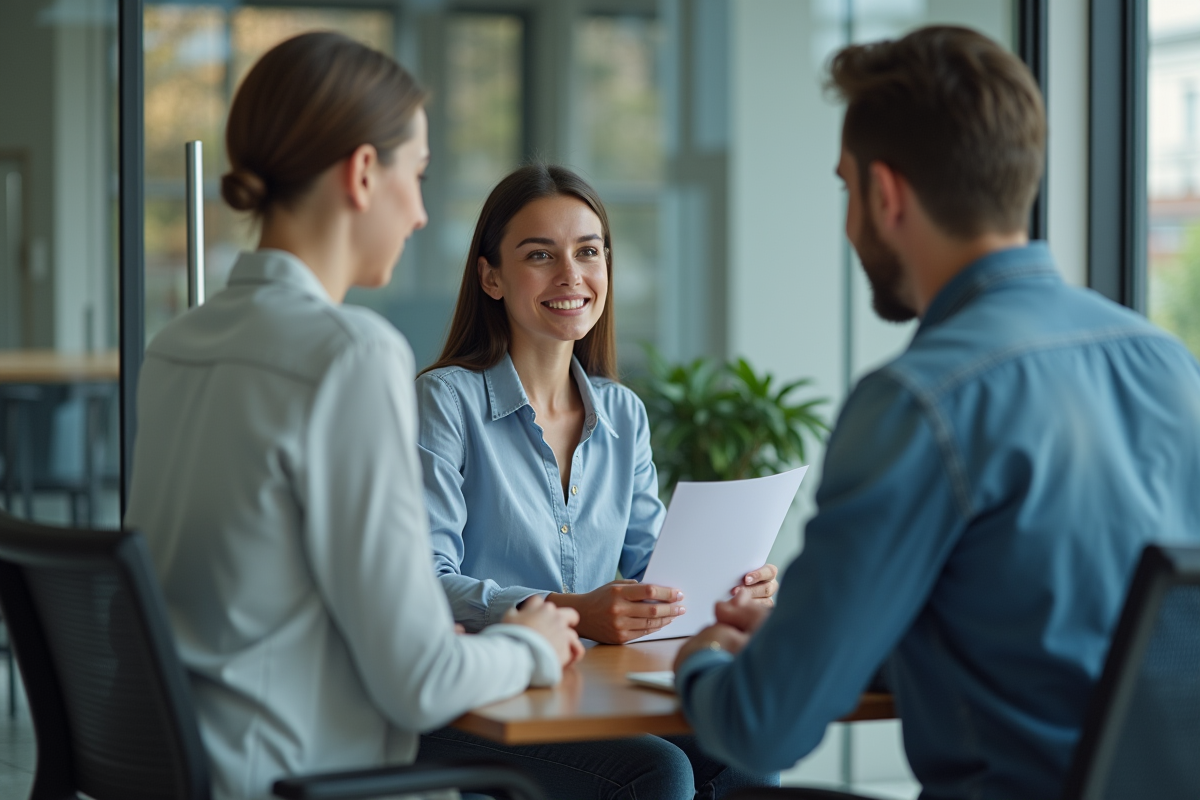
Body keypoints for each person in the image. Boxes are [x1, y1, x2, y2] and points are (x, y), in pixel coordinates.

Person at [672, 24, 1200, 800]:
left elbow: (764, 724)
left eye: (846, 189)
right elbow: (1064, 643)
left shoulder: (921, 402)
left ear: (885, 195)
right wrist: (814, 641)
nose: (849, 222)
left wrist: (704, 665)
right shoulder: (1167, 363)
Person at [124, 33, 583, 800]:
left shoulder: (178, 344)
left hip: (185, 771)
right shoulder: (348, 353)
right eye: (419, 176)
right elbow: (422, 684)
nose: (421, 214)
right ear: (364, 173)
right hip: (302, 779)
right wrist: (530, 642)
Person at [412, 163, 780, 799]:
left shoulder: (622, 413)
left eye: (588, 252)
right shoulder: (446, 401)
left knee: (746, 741)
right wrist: (573, 611)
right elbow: (425, 582)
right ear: (490, 276)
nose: (570, 276)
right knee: (656, 773)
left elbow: (658, 571)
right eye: (539, 255)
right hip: (476, 696)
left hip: (591, 693)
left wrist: (730, 587)